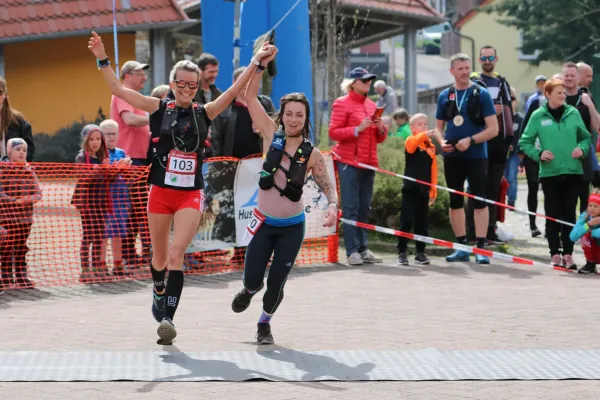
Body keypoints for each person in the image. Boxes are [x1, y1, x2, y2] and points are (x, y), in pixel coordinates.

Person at [88, 31, 276, 344]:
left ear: (197, 85)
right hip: (160, 193)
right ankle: (158, 287)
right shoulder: (157, 107)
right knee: (159, 258)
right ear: (173, 84)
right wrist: (102, 58)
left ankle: (168, 320)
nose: (187, 89)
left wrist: (256, 62)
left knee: (177, 255)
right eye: (181, 84)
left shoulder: (206, 111)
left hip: (191, 194)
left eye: (192, 84)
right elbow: (117, 88)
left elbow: (233, 90)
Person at [230, 47, 338, 345]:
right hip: (264, 223)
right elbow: (249, 98)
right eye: (288, 114)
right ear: (282, 115)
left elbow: (328, 187)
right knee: (253, 279)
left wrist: (333, 206)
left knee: (277, 282)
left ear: (306, 118)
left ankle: (264, 323)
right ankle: (248, 292)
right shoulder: (269, 132)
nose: (292, 119)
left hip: (291, 226)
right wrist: (259, 65)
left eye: (299, 115)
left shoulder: (313, 154)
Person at [519, 77, 591, 269]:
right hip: (550, 173)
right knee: (552, 214)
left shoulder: (573, 113)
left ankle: (568, 254)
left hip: (573, 171)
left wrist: (582, 149)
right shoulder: (538, 116)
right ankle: (554, 254)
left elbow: (586, 138)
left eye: (564, 93)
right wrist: (539, 154)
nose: (563, 96)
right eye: (559, 92)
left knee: (569, 213)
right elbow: (524, 142)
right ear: (548, 94)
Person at [436, 53, 498, 264]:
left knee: (479, 199)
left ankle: (481, 247)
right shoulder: (445, 95)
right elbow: (438, 128)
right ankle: (461, 246)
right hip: (453, 155)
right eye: (459, 68)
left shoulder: (481, 94)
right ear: (451, 71)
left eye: (466, 68)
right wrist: (442, 141)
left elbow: (494, 129)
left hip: (476, 154)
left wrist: (470, 140)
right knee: (455, 200)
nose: (464, 72)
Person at [329, 67, 388, 265]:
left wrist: (381, 128)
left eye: (370, 81)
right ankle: (352, 251)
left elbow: (378, 139)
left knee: (364, 208)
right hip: (348, 162)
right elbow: (333, 132)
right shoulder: (341, 103)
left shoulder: (372, 105)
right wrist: (356, 129)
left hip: (369, 163)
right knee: (351, 207)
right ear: (353, 82)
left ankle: (363, 248)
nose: (368, 83)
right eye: (364, 80)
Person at [397, 114, 443, 266]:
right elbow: (412, 145)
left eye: (425, 124)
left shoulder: (430, 146)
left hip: (424, 189)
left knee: (422, 223)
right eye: (420, 124)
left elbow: (433, 170)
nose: (424, 126)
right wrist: (426, 133)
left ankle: (420, 252)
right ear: (412, 128)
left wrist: (433, 191)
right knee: (406, 220)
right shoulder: (411, 140)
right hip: (410, 188)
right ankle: (402, 252)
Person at [0, 138, 41, 290]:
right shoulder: (2, 170)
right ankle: (5, 274)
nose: (22, 153)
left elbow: (38, 194)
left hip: (25, 219)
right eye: (17, 150)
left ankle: (21, 274)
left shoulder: (29, 171)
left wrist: (26, 199)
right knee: (6, 247)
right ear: (9, 152)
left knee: (21, 246)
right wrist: (12, 200)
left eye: (24, 150)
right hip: (7, 217)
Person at [99, 119, 131, 277]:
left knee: (118, 232)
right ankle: (101, 264)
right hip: (105, 200)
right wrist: (116, 168)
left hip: (120, 199)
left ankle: (118, 264)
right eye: (107, 134)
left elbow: (124, 175)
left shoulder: (121, 152)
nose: (111, 137)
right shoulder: (99, 154)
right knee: (104, 233)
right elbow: (102, 175)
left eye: (114, 133)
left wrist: (126, 167)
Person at [0, 77, 35, 162]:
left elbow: (29, 151)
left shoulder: (18, 122)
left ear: (5, 95)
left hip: (16, 173)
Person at [569, 191, 600, 274]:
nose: (592, 208)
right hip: (595, 249)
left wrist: (592, 232)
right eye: (590, 205)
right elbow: (572, 236)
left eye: (596, 206)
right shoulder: (585, 216)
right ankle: (590, 263)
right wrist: (588, 225)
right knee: (584, 234)